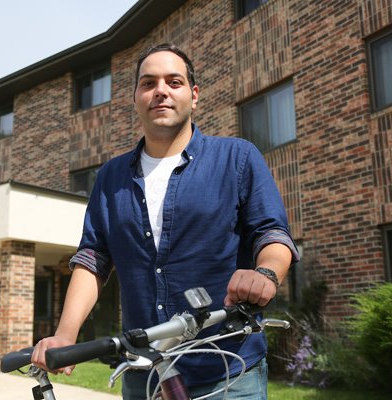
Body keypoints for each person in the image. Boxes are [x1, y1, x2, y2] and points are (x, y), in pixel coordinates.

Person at [32, 43, 299, 399]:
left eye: (174, 82)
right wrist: (65, 335)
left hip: (228, 371)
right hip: (145, 375)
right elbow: (93, 258)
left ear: (194, 94)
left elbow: (272, 234)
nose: (161, 91)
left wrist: (266, 273)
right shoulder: (111, 178)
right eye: (148, 83)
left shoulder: (237, 157)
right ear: (136, 97)